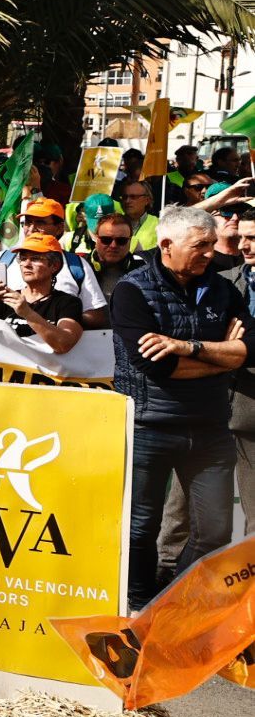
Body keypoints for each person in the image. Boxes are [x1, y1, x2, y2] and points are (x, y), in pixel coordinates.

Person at [111, 205, 252, 612]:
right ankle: (139, 605)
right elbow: (157, 366)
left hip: (210, 427)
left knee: (214, 531)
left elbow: (250, 350)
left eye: (211, 244)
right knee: (142, 528)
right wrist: (222, 355)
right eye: (200, 246)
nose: (211, 253)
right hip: (150, 426)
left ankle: (175, 606)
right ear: (166, 244)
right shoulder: (132, 290)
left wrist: (189, 347)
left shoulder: (224, 289)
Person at [0, 197, 108, 329]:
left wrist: (57, 314)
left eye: (40, 222)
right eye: (28, 222)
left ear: (59, 228)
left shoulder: (77, 265)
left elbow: (97, 316)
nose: (31, 229)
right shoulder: (1, 260)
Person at [0, 234, 84, 351]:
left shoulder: (68, 303)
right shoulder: (5, 298)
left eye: (35, 259)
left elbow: (64, 344)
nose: (26, 264)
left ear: (54, 266)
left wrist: (27, 313)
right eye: (23, 258)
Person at [222, 206, 255, 539]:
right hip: (212, 407)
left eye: (253, 238)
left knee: (253, 510)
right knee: (181, 509)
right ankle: (169, 575)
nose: (245, 245)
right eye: (241, 237)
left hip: (252, 413)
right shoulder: (223, 282)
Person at [88, 213, 141, 300]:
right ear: (96, 239)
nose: (113, 245)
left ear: (130, 241)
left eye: (121, 241)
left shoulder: (144, 271)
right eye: (106, 240)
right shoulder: (80, 267)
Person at [117, 180, 160, 252]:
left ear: (147, 200)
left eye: (133, 197)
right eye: (124, 197)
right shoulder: (114, 224)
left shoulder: (160, 225)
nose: (127, 201)